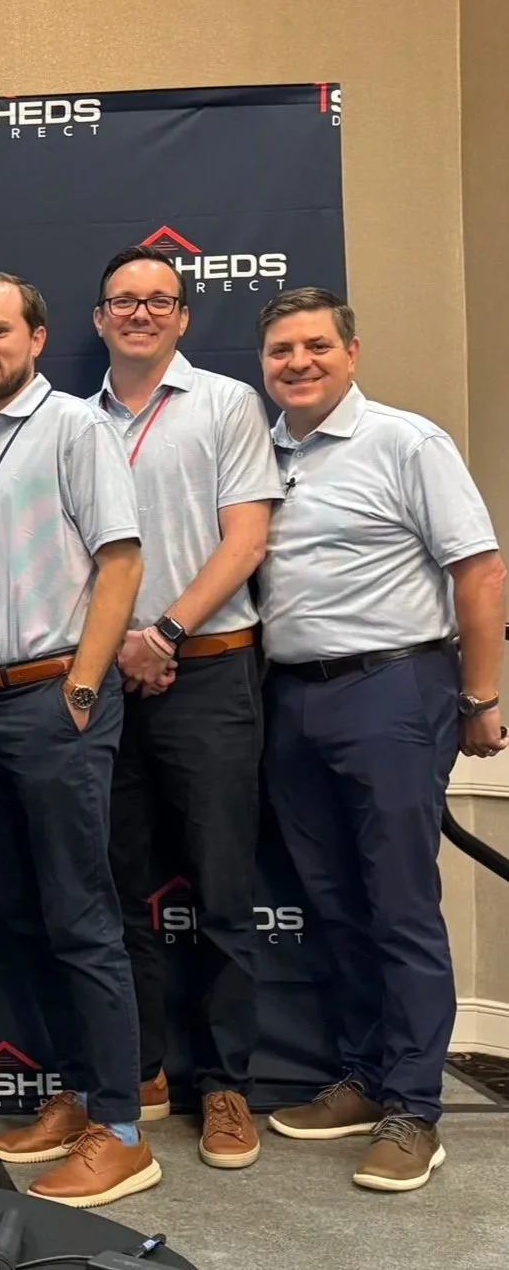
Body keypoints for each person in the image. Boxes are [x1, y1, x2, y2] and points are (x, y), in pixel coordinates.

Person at [254, 287, 505, 1193]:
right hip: (293, 697)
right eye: (281, 350)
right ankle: (363, 1075)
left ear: (351, 352)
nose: (297, 362)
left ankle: (414, 1106)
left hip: (394, 689)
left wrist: (482, 695)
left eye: (315, 346)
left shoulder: (407, 441)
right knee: (332, 899)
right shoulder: (262, 453)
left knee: (398, 902)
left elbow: (478, 569)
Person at [0, 271, 159, 1208]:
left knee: (81, 914)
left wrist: (83, 682)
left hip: (55, 696)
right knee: (27, 912)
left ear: (36, 337)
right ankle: (73, 1092)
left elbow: (121, 558)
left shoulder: (76, 427)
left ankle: (120, 1126)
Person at [92, 246, 281, 1169]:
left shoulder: (227, 404)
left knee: (220, 889)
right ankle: (142, 1072)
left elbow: (246, 538)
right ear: (98, 320)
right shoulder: (74, 421)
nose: (139, 313)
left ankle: (226, 1085)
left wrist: (161, 632)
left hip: (204, 669)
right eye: (123, 300)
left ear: (182, 317)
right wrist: (113, 651)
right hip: (101, 679)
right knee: (120, 887)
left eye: (158, 300)